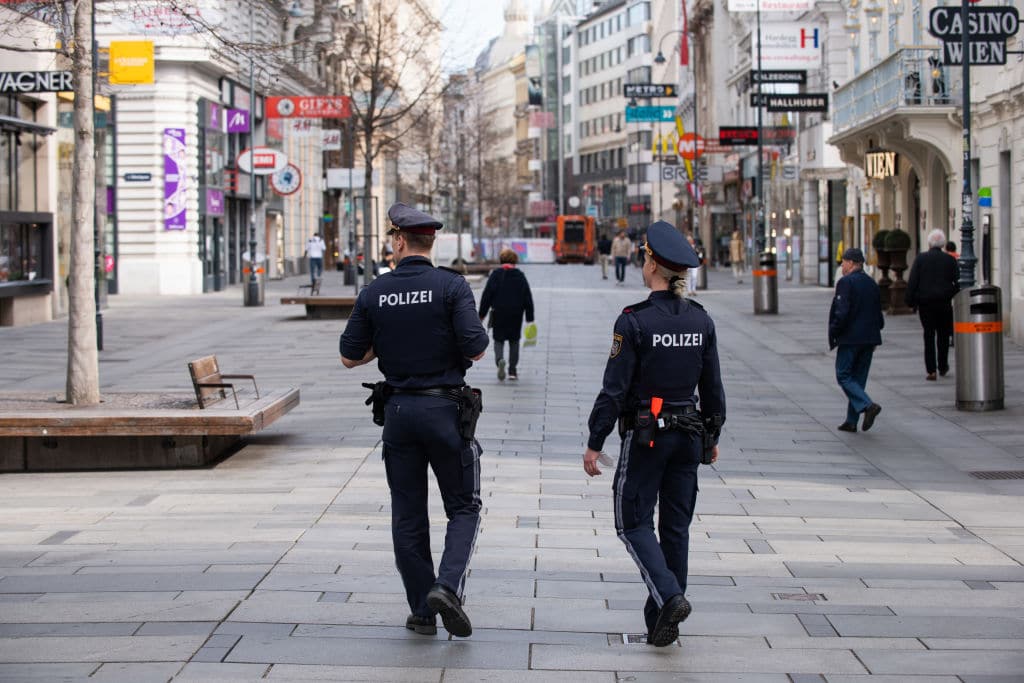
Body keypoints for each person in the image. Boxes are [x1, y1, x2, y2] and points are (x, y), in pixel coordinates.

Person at [339, 202, 489, 639]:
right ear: (431, 241)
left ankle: (422, 611)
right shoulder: (451, 286)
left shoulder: (374, 292)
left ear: (399, 240)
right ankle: (447, 586)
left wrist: (387, 339)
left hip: (400, 414)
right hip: (446, 411)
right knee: (463, 506)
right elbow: (477, 348)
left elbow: (350, 357)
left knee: (408, 515)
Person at [582, 221, 726, 647]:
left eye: (645, 258)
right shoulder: (701, 320)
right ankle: (662, 622)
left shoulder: (634, 321)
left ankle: (668, 596)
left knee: (631, 521)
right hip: (689, 433)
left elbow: (614, 389)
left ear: (653, 266)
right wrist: (712, 435)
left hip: (648, 434)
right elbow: (713, 387)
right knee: (676, 528)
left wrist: (595, 441)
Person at [828, 248, 884, 433]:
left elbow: (842, 312)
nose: (842, 265)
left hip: (851, 338)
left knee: (843, 374)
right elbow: (879, 315)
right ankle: (851, 421)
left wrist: (835, 330)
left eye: (843, 262)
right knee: (858, 379)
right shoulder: (871, 283)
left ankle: (867, 405)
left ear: (852, 263)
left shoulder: (846, 283)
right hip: (869, 338)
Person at [906, 229, 959, 381]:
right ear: (943, 244)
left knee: (928, 335)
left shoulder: (921, 259)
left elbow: (913, 281)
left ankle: (931, 370)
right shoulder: (950, 260)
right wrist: (950, 293)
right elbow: (957, 281)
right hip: (944, 303)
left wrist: (911, 300)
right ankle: (942, 365)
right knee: (943, 335)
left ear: (929, 243)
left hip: (926, 304)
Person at [478, 248, 535, 382]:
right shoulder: (520, 276)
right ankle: (512, 371)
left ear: (501, 260)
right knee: (514, 340)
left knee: (499, 339)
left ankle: (500, 361)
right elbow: (527, 297)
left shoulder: (495, 275)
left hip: (499, 312)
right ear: (515, 261)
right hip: (516, 313)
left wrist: (481, 315)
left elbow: (487, 295)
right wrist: (530, 318)